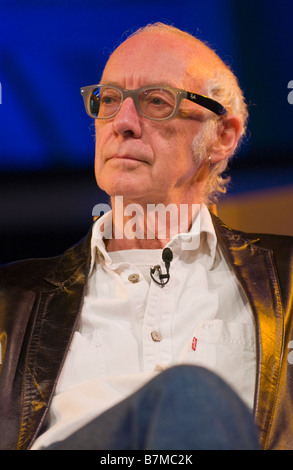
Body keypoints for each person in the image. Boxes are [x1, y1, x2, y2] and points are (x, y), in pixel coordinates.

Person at [0, 22, 292, 451]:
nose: (123, 124)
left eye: (156, 101)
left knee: (191, 396)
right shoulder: (10, 301)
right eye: (110, 100)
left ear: (222, 137)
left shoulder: (288, 281)